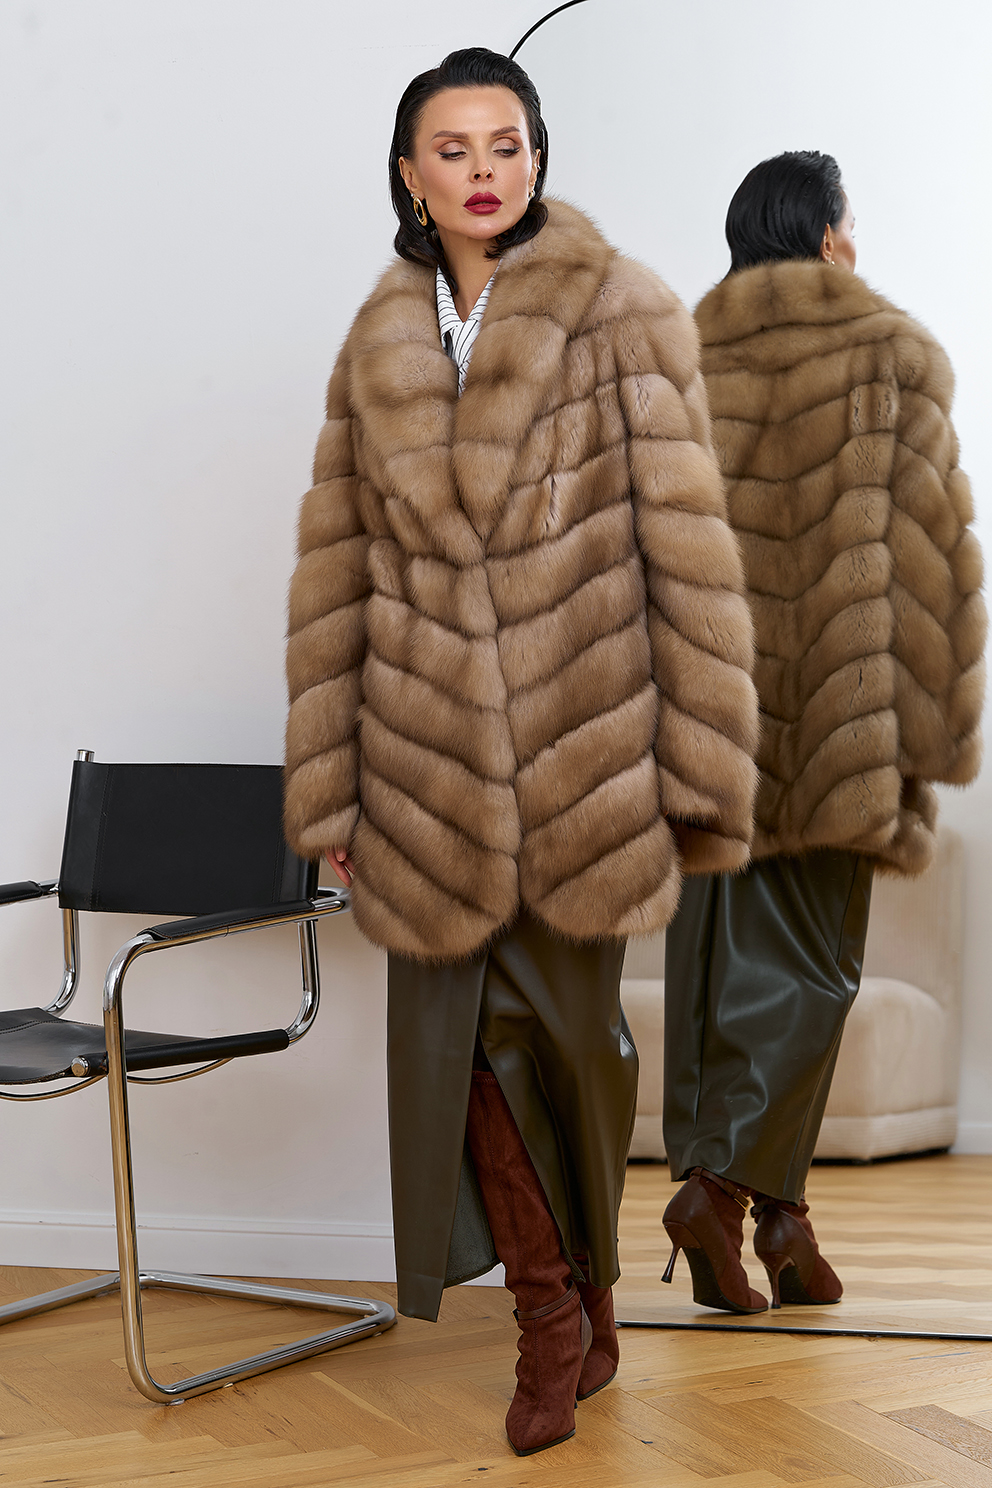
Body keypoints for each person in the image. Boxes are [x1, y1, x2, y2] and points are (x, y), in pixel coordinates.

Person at [283, 47, 759, 1455]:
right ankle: (546, 1316)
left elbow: (689, 553)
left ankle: (595, 1293)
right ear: (409, 175)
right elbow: (334, 574)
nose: (483, 170)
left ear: (536, 159)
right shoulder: (378, 339)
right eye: (453, 148)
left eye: (506, 144)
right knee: (461, 1050)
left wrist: (697, 767)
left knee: (573, 1050)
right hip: (418, 764)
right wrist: (329, 781)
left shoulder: (622, 309)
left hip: (582, 758)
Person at [661, 150, 985, 1316]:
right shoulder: (887, 353)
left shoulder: (676, 359)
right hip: (836, 727)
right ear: (828, 235)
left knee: (713, 974)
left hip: (703, 723)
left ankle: (780, 1220)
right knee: (811, 971)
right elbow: (934, 559)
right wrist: (937, 729)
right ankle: (718, 1191)